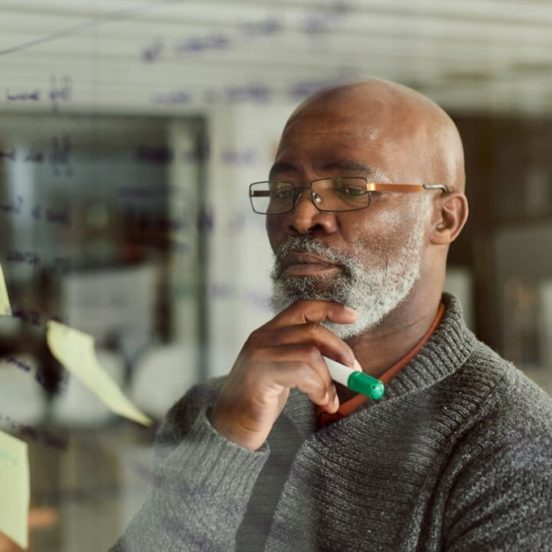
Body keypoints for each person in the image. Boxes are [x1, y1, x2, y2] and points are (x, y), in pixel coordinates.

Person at [112, 79, 552, 551]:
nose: (302, 216)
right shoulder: (211, 412)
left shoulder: (515, 444)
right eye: (284, 189)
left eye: (349, 188)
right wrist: (230, 440)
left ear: (442, 219)